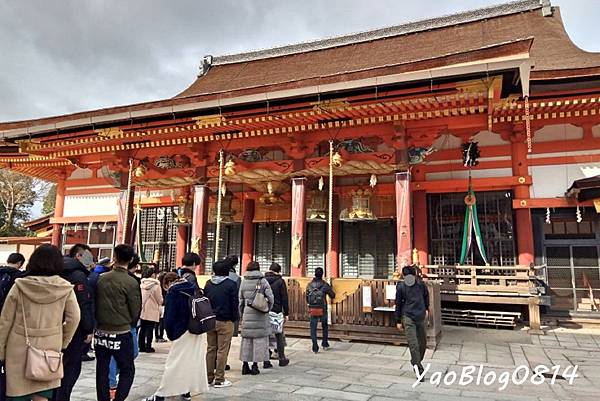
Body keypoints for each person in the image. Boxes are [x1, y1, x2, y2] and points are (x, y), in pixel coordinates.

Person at [0, 244, 80, 401]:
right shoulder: (65, 288)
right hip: (49, 348)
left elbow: (5, 321)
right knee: (42, 395)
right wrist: (63, 341)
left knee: (17, 394)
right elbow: (74, 317)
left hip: (18, 348)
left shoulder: (20, 286)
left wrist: (1, 351)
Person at [143, 272, 209, 401]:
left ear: (167, 283)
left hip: (181, 330)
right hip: (196, 329)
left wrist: (171, 333)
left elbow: (170, 315)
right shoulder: (193, 287)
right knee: (192, 361)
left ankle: (162, 394)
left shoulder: (174, 291)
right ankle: (186, 391)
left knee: (174, 363)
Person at [95, 244, 142, 401]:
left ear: (114, 258)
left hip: (101, 331)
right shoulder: (130, 282)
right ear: (130, 260)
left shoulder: (101, 279)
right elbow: (135, 309)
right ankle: (119, 398)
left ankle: (103, 398)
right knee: (127, 368)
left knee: (102, 368)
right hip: (121, 331)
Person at [55, 244, 95, 401]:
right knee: (70, 366)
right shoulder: (78, 275)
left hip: (52, 325)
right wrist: (88, 328)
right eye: (88, 257)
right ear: (78, 256)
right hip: (74, 329)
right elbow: (83, 304)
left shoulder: (54, 270)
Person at [108, 254, 142, 398]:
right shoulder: (126, 280)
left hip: (128, 323)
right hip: (120, 322)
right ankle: (111, 383)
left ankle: (111, 378)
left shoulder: (132, 280)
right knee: (118, 353)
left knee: (132, 352)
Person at [204, 258, 239, 387]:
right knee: (222, 351)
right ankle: (219, 378)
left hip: (210, 320)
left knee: (211, 349)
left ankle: (208, 377)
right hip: (225, 320)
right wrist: (234, 318)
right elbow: (234, 303)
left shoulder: (208, 284)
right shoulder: (230, 284)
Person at [238, 261, 274, 376]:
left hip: (247, 314)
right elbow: (271, 298)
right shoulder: (262, 281)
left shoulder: (244, 282)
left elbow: (240, 301)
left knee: (246, 341)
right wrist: (267, 308)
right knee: (259, 341)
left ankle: (244, 365)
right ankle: (254, 366)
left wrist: (242, 313)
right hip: (260, 315)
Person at [395, 264, 429, 377]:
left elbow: (426, 296)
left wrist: (427, 308)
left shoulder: (421, 285)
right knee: (413, 344)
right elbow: (398, 304)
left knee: (423, 343)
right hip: (408, 316)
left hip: (421, 315)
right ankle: (419, 369)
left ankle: (415, 361)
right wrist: (398, 320)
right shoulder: (401, 287)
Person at [265, 262, 290, 367]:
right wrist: (286, 312)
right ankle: (281, 357)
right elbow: (284, 298)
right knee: (279, 334)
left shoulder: (263, 280)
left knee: (265, 334)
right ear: (278, 271)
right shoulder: (280, 281)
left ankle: (266, 358)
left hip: (265, 310)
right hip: (276, 310)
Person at [306, 267, 335, 353]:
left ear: (314, 274)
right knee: (324, 326)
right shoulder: (325, 285)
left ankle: (315, 347)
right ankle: (324, 343)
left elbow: (307, 297)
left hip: (313, 308)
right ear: (322, 274)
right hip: (322, 308)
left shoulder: (309, 285)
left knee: (313, 328)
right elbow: (332, 295)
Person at [139, 266, 163, 353]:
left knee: (143, 328)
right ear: (153, 275)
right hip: (152, 309)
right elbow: (159, 300)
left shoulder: (142, 284)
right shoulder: (156, 286)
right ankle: (148, 347)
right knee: (150, 329)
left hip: (144, 308)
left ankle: (141, 346)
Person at [155, 271, 167, 343]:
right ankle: (160, 336)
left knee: (157, 322)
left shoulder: (157, 286)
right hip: (163, 304)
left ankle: (157, 336)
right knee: (162, 322)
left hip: (157, 305)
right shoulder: (165, 287)